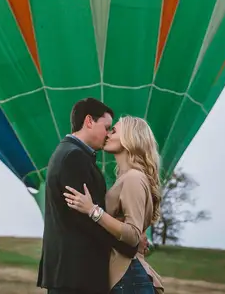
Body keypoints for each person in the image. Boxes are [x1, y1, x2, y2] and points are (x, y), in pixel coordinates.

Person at [37, 98, 142, 294]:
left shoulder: (69, 153)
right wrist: (128, 245)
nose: (109, 133)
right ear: (88, 121)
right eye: (107, 127)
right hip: (77, 275)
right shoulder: (73, 157)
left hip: (73, 275)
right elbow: (83, 220)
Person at [64, 116, 164, 293]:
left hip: (128, 277)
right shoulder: (126, 178)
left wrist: (92, 210)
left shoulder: (134, 178)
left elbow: (132, 234)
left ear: (130, 138)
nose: (108, 134)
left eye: (114, 130)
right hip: (125, 277)